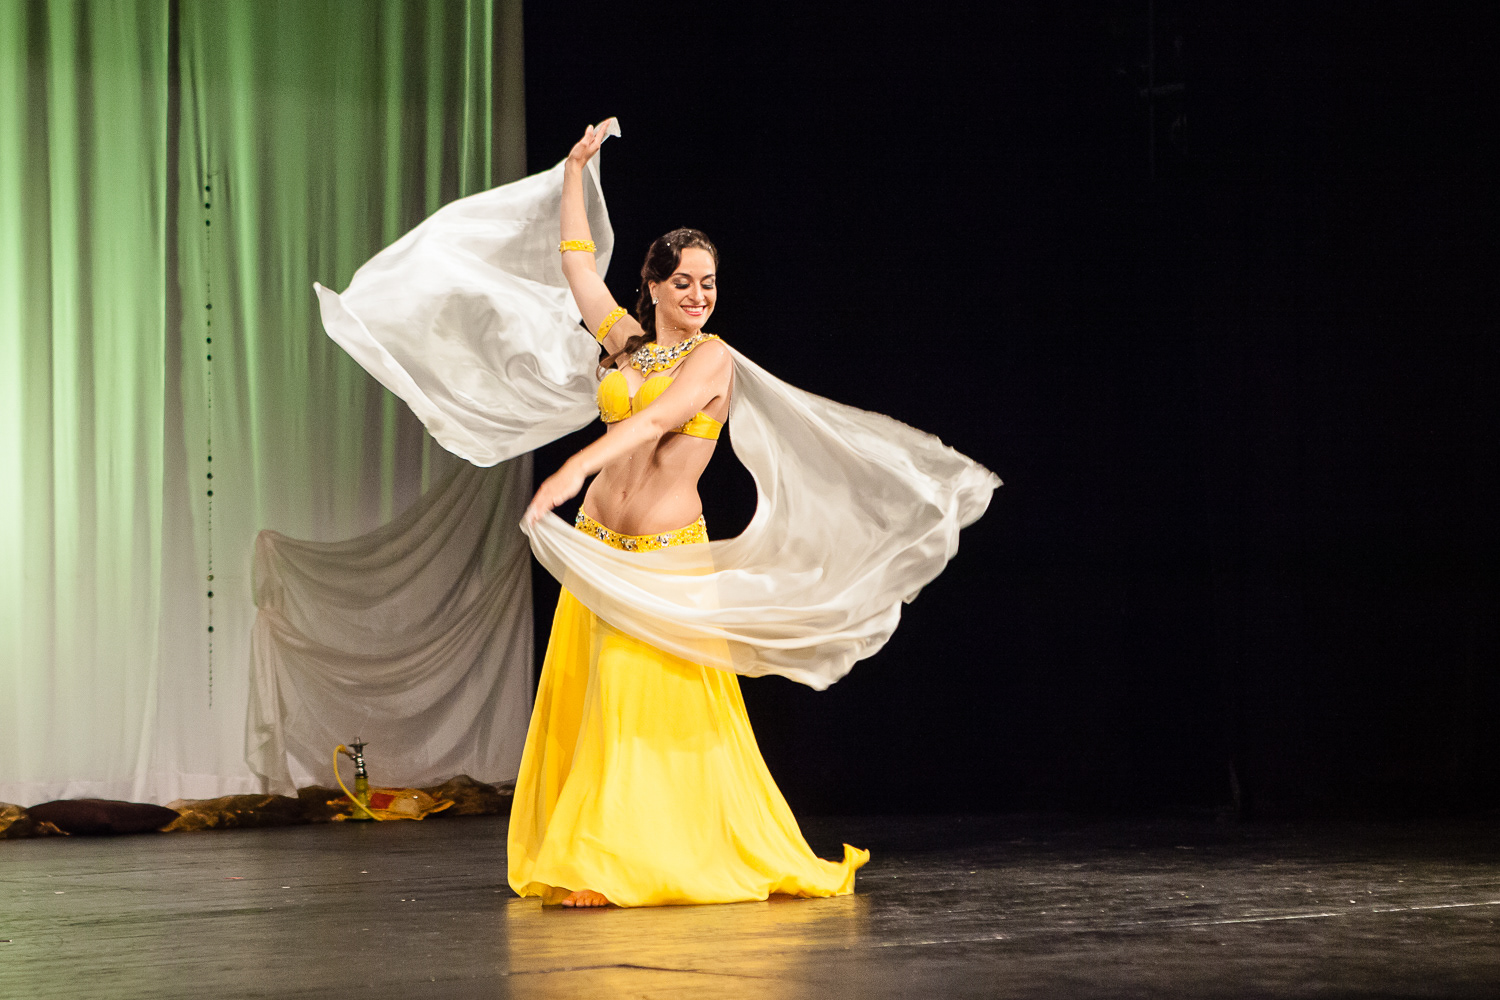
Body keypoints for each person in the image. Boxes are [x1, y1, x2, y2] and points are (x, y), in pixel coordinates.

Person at [508, 120, 868, 908]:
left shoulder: (713, 358)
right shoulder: (628, 345)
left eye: (709, 283)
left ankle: (610, 864)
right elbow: (577, 267)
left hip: (666, 558)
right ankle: (594, 855)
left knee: (638, 708)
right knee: (598, 706)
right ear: (654, 285)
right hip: (600, 551)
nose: (699, 296)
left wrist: (573, 465)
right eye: (683, 283)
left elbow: (655, 422)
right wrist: (574, 171)